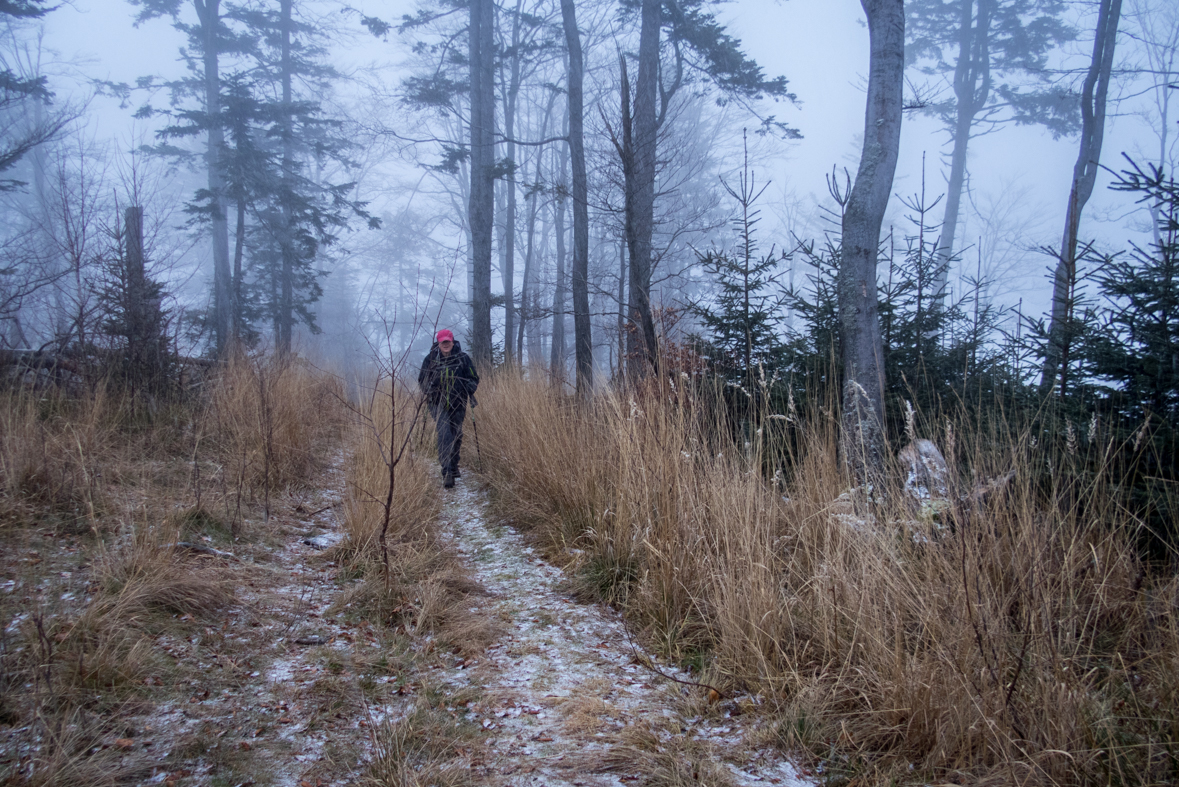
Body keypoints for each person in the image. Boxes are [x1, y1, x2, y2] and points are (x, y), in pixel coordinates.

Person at [418, 329, 479, 488]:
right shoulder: (430, 359)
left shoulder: (463, 358)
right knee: (444, 434)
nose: (446, 344)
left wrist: (469, 387)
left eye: (448, 341)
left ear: (453, 341)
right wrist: (429, 388)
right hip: (437, 404)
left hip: (458, 402)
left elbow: (473, 378)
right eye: (443, 342)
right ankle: (447, 472)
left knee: (457, 433)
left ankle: (454, 464)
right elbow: (422, 381)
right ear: (438, 343)